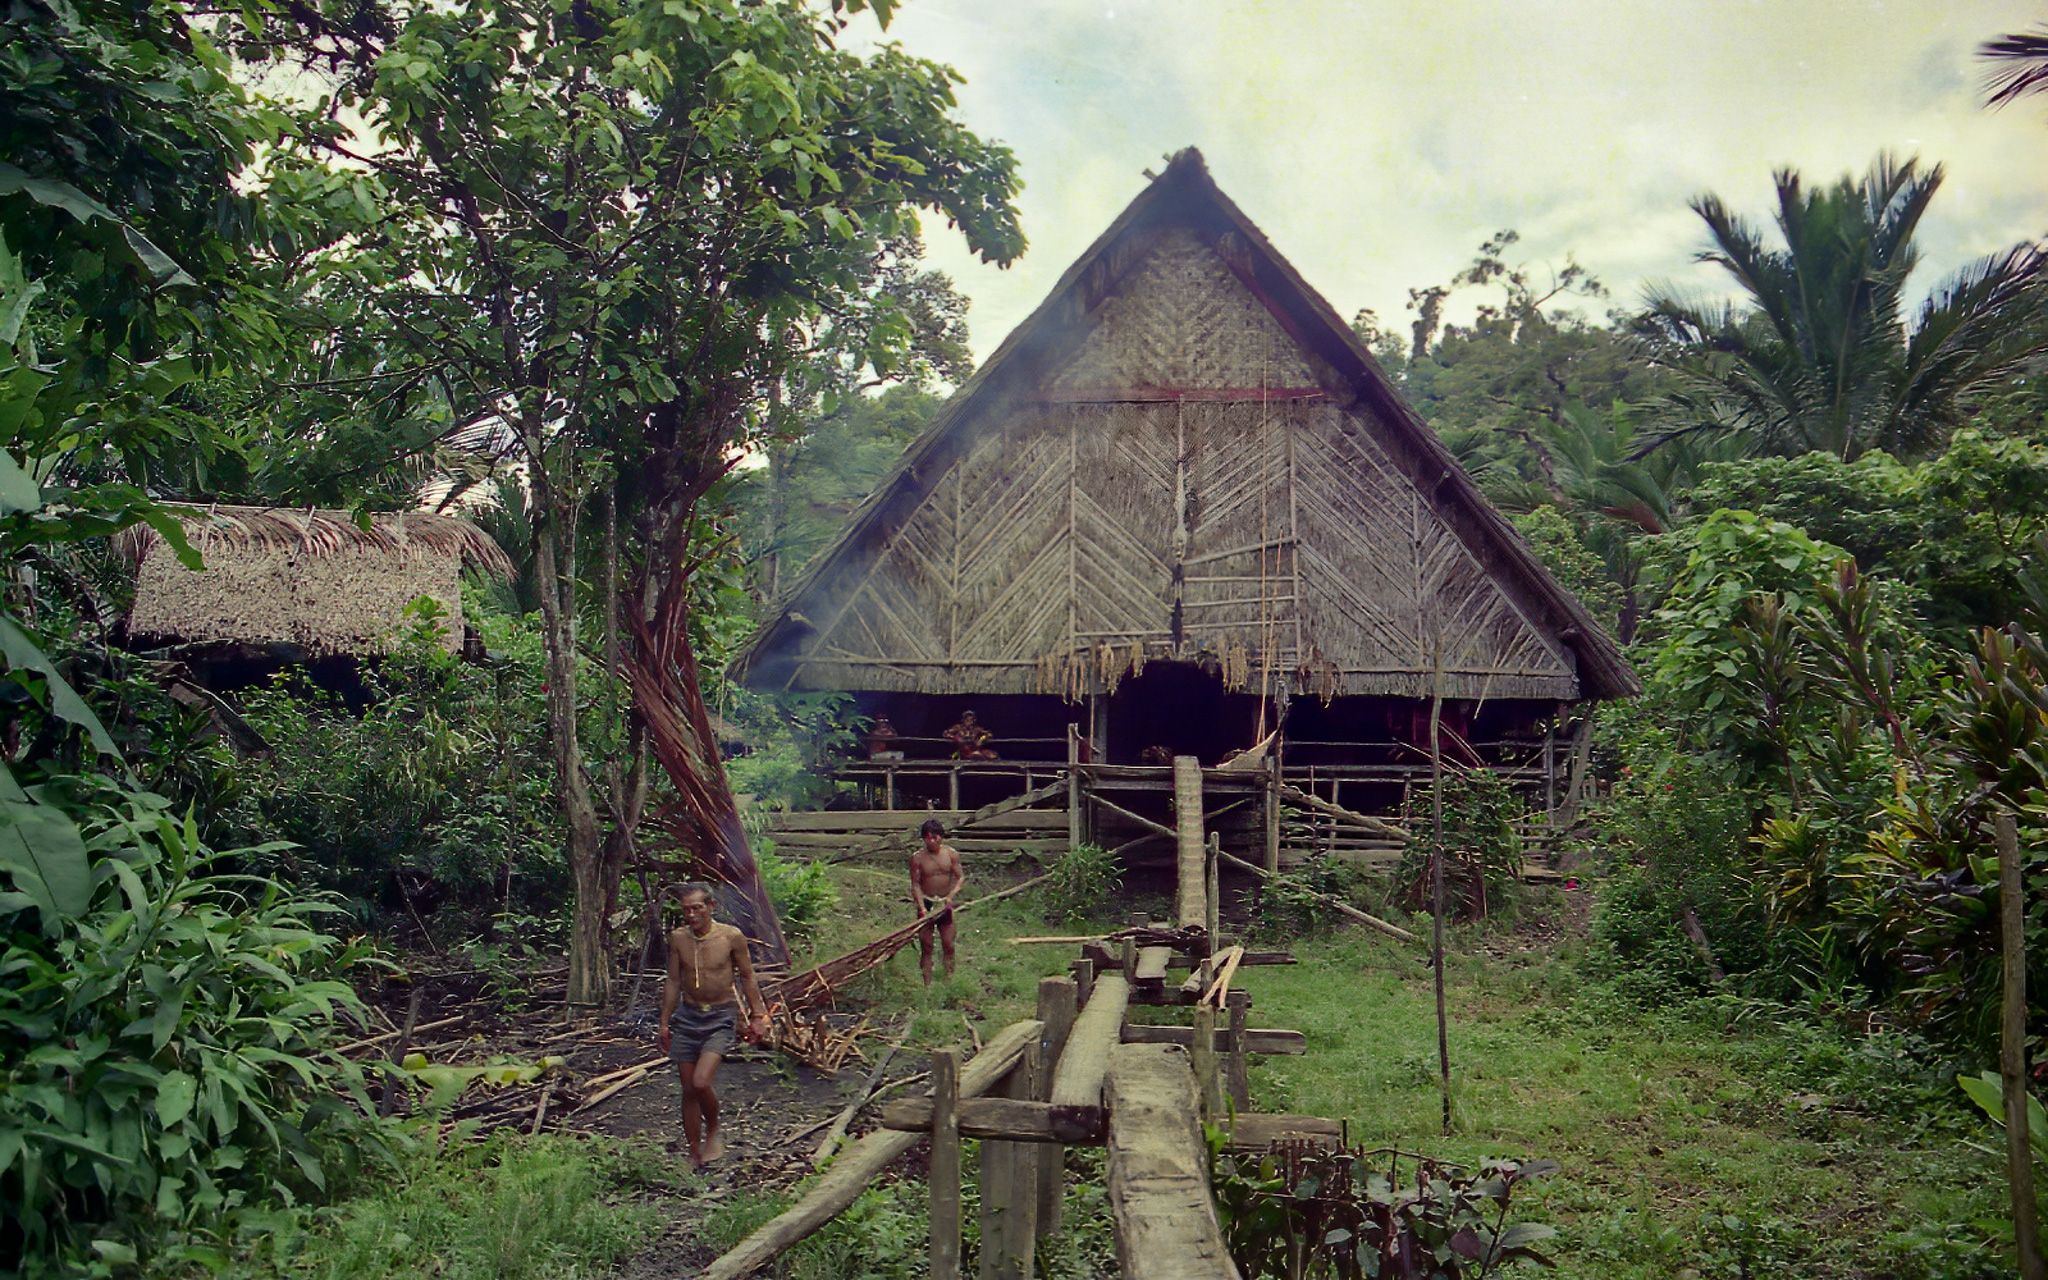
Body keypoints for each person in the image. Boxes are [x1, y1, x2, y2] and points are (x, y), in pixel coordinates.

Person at [658, 883, 770, 1171]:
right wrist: (664, 1023)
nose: (691, 915)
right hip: (688, 1016)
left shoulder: (731, 937)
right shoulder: (678, 939)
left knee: (701, 1081)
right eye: (686, 910)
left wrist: (758, 1015)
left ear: (711, 907)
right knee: (687, 1088)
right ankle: (693, 1151)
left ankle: (713, 1131)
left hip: (720, 1017)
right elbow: (672, 981)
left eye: (697, 908)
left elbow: (747, 976)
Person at [909, 818, 966, 984]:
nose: (932, 841)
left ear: (941, 837)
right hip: (927, 903)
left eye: (935, 837)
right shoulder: (917, 858)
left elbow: (960, 877)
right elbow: (915, 885)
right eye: (928, 838)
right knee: (926, 947)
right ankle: (926, 983)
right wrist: (922, 907)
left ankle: (949, 979)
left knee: (949, 944)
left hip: (944, 904)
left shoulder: (951, 854)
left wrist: (951, 896)